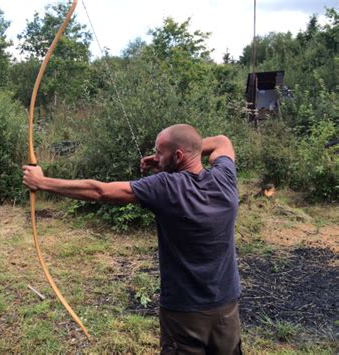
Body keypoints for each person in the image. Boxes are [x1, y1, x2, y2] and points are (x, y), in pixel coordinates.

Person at [23, 124, 242, 354]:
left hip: (185, 313)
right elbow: (221, 141)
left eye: (159, 152)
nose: (155, 156)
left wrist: (42, 182)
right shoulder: (225, 178)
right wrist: (183, 152)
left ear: (178, 156)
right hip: (227, 308)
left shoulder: (167, 187)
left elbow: (101, 192)